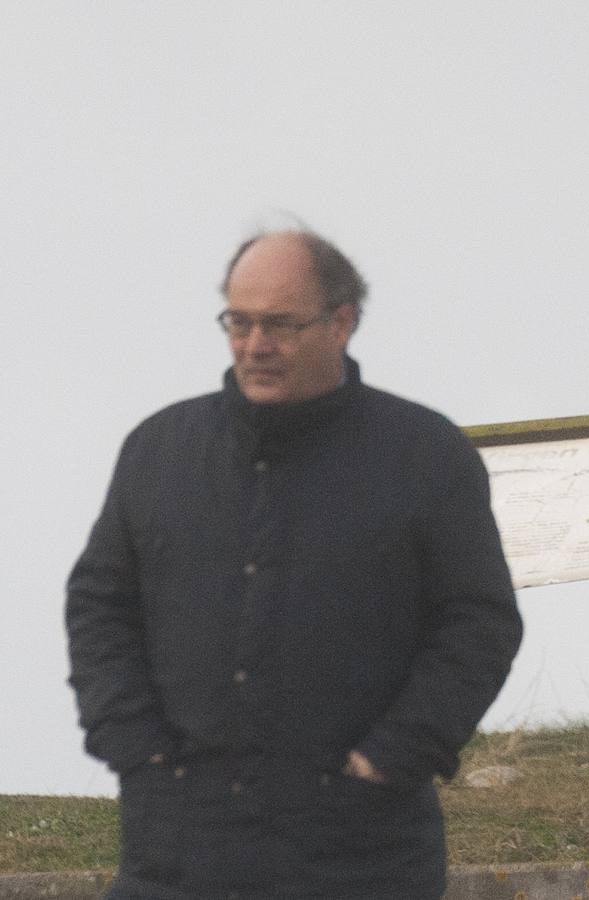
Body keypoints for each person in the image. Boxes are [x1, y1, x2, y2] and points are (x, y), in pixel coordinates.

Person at [66, 229, 523, 899]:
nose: (255, 346)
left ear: (343, 322)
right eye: (239, 322)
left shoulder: (426, 456)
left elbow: (477, 627)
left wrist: (385, 763)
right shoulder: (157, 451)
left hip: (359, 861)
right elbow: (99, 609)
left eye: (279, 324)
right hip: (175, 858)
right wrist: (139, 751)